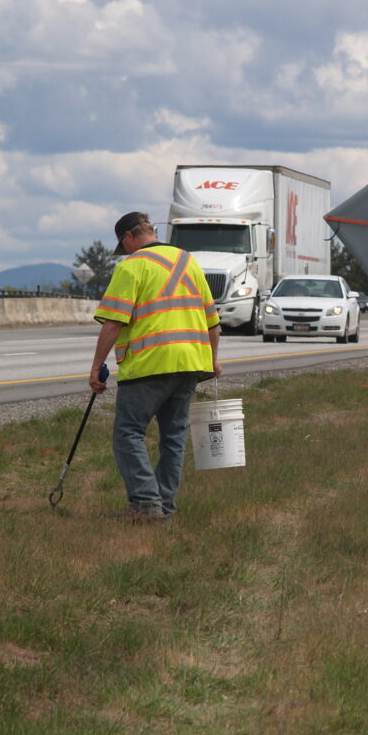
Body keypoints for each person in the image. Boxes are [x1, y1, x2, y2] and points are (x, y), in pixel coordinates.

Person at [89, 211, 222, 523]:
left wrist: (96, 367)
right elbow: (213, 324)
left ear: (128, 238)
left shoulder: (132, 265)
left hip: (150, 365)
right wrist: (213, 361)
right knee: (173, 438)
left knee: (128, 433)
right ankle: (164, 506)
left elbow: (113, 323)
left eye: (124, 246)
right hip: (190, 363)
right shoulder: (189, 262)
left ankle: (146, 504)